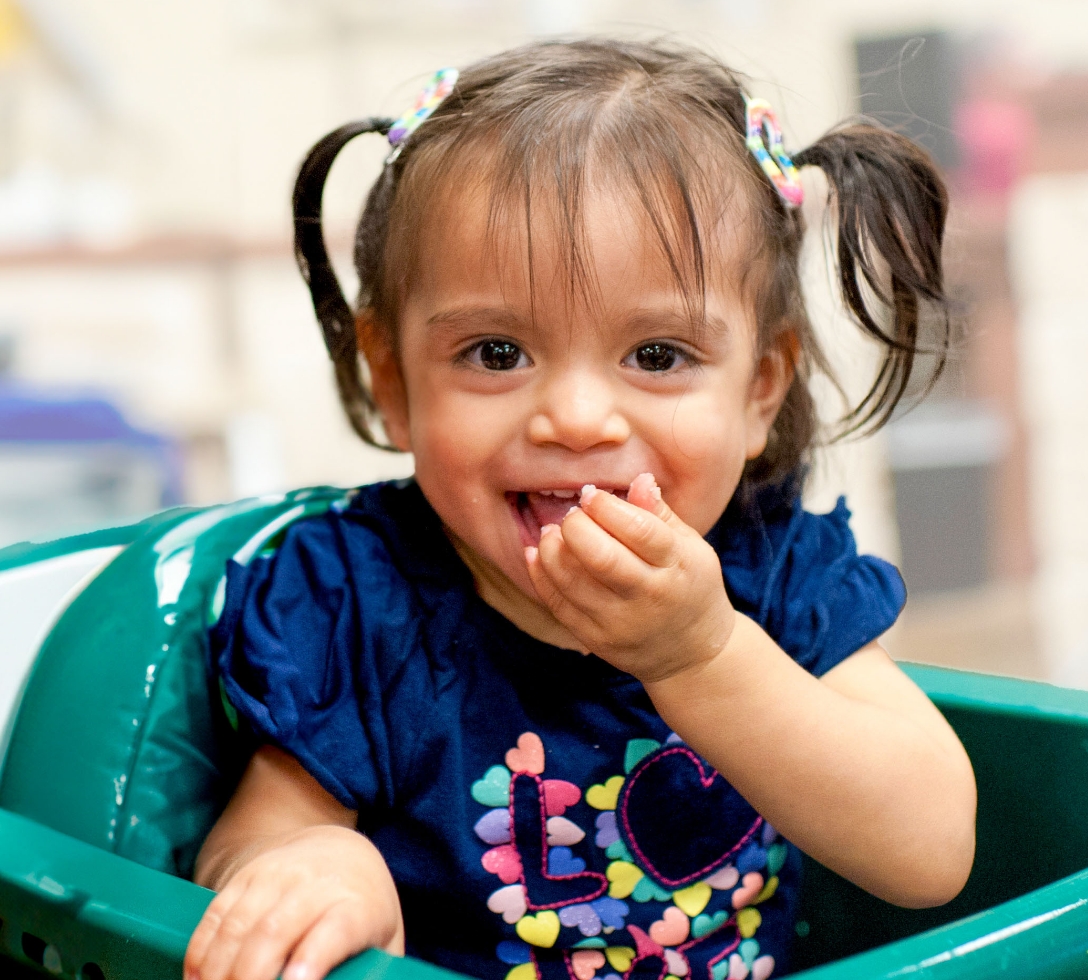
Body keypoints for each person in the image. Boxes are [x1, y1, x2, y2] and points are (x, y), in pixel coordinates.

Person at [183, 38, 976, 980]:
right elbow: (242, 858)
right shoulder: (356, 600)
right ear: (390, 378)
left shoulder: (778, 574)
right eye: (494, 352)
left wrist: (703, 652)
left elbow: (930, 851)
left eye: (657, 356)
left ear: (760, 389)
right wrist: (319, 864)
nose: (576, 418)